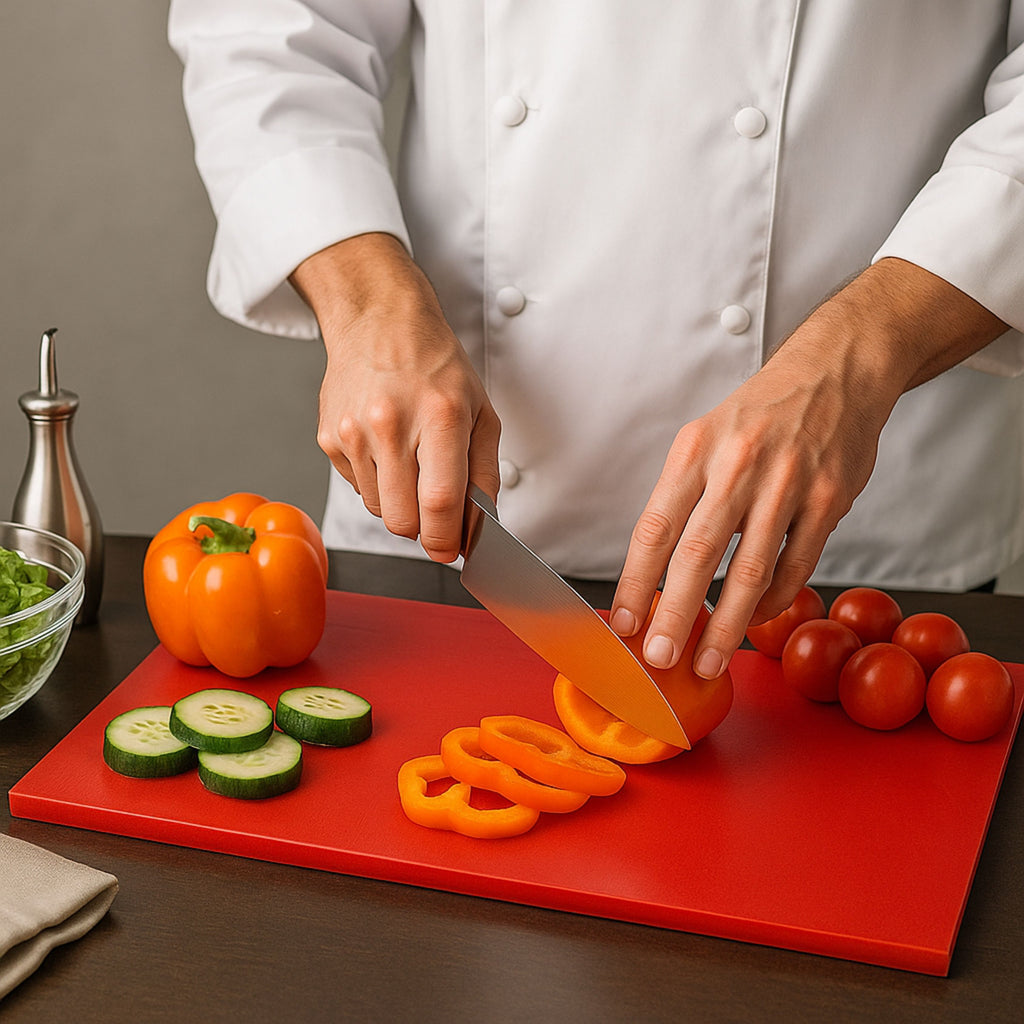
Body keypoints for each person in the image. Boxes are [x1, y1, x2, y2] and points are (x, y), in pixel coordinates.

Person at [168, 2, 1024, 681]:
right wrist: (367, 304)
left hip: (860, 522)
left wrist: (857, 360)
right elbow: (268, 34)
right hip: (453, 490)